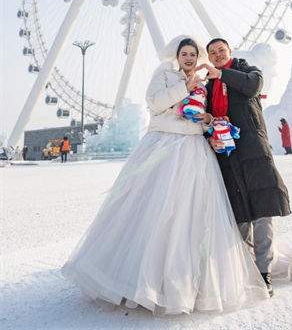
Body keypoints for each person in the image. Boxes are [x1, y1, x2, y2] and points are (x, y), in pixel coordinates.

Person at [61, 37, 269, 315]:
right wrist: (186, 87)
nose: (189, 58)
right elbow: (156, 103)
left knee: (193, 216)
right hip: (165, 147)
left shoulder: (204, 83)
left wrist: (207, 120)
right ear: (177, 56)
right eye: (185, 53)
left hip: (196, 149)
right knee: (155, 211)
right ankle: (140, 278)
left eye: (193, 54)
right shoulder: (164, 75)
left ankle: (185, 283)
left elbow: (205, 113)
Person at [195, 38, 291, 298]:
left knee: (262, 211)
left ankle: (264, 271)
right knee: (239, 215)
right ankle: (247, 269)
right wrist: (208, 137)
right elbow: (203, 120)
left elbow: (253, 86)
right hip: (227, 154)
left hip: (253, 150)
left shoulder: (248, 72)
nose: (216, 55)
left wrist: (222, 74)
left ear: (230, 52)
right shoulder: (208, 88)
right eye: (212, 53)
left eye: (221, 51)